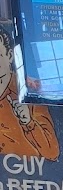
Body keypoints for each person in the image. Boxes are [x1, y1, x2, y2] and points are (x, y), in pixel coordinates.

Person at [0, 25, 59, 160]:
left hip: (29, 172)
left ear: (10, 56)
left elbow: (52, 153)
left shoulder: (29, 90)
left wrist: (28, 122)